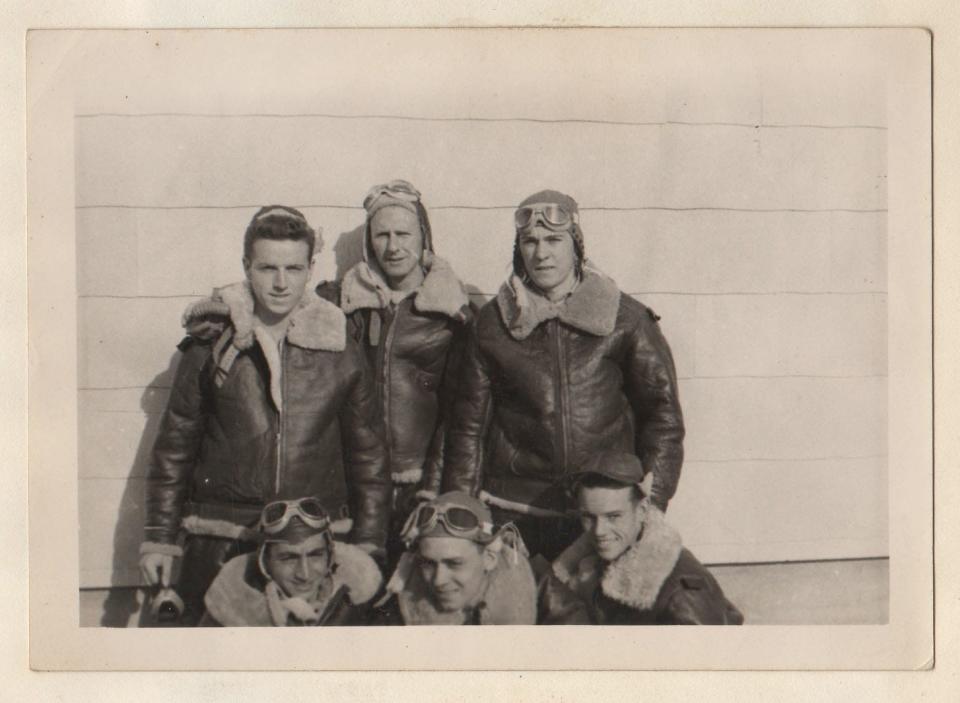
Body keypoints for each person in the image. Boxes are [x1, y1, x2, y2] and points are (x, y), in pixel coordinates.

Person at [139, 205, 391, 625]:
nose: (279, 283)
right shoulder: (211, 344)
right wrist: (159, 539)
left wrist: (367, 542)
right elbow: (174, 447)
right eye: (267, 268)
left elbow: (369, 456)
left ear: (310, 269)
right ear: (246, 266)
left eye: (293, 268)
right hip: (221, 542)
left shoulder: (339, 346)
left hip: (310, 548)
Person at [442, 189, 685, 561]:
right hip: (515, 513)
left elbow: (663, 417)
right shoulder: (491, 324)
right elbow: (468, 429)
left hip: (602, 516)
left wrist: (648, 508)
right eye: (530, 241)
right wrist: (461, 515)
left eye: (554, 240)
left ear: (576, 246)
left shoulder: (625, 319)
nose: (541, 253)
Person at [315, 180, 473, 564]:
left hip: (420, 483)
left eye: (403, 234)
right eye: (382, 235)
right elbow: (279, 302)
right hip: (354, 483)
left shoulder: (456, 312)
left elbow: (461, 415)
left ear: (424, 238)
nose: (393, 246)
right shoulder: (339, 302)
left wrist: (433, 492)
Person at [550, 450, 743, 625]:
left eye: (613, 517)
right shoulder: (587, 566)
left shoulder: (682, 598)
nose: (599, 531)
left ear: (642, 510)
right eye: (588, 517)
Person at [371, 491, 588, 625]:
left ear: (490, 558)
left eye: (454, 563)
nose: (438, 580)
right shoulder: (398, 608)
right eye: (428, 563)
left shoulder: (538, 587)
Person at [199, 498, 382, 626]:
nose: (304, 574)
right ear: (265, 563)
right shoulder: (228, 614)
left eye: (315, 555)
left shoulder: (364, 608)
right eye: (288, 558)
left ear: (331, 555)